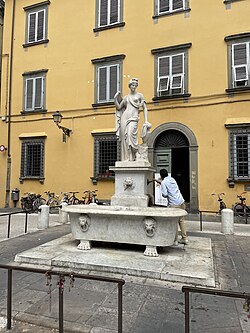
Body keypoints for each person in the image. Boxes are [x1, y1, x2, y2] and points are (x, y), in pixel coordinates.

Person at [114, 78, 151, 161]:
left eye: (135, 85)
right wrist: (115, 99)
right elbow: (119, 107)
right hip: (125, 117)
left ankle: (133, 156)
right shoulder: (126, 97)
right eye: (132, 85)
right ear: (130, 86)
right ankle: (127, 158)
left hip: (134, 118)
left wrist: (146, 120)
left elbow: (144, 108)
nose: (134, 86)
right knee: (124, 138)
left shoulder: (139, 96)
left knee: (131, 136)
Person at [154, 168, 188, 245]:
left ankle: (175, 240)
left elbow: (165, 194)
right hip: (181, 201)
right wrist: (159, 182)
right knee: (181, 220)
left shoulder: (163, 183)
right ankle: (184, 238)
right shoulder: (172, 179)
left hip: (174, 204)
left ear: (161, 175)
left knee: (174, 222)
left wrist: (161, 186)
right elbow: (167, 183)